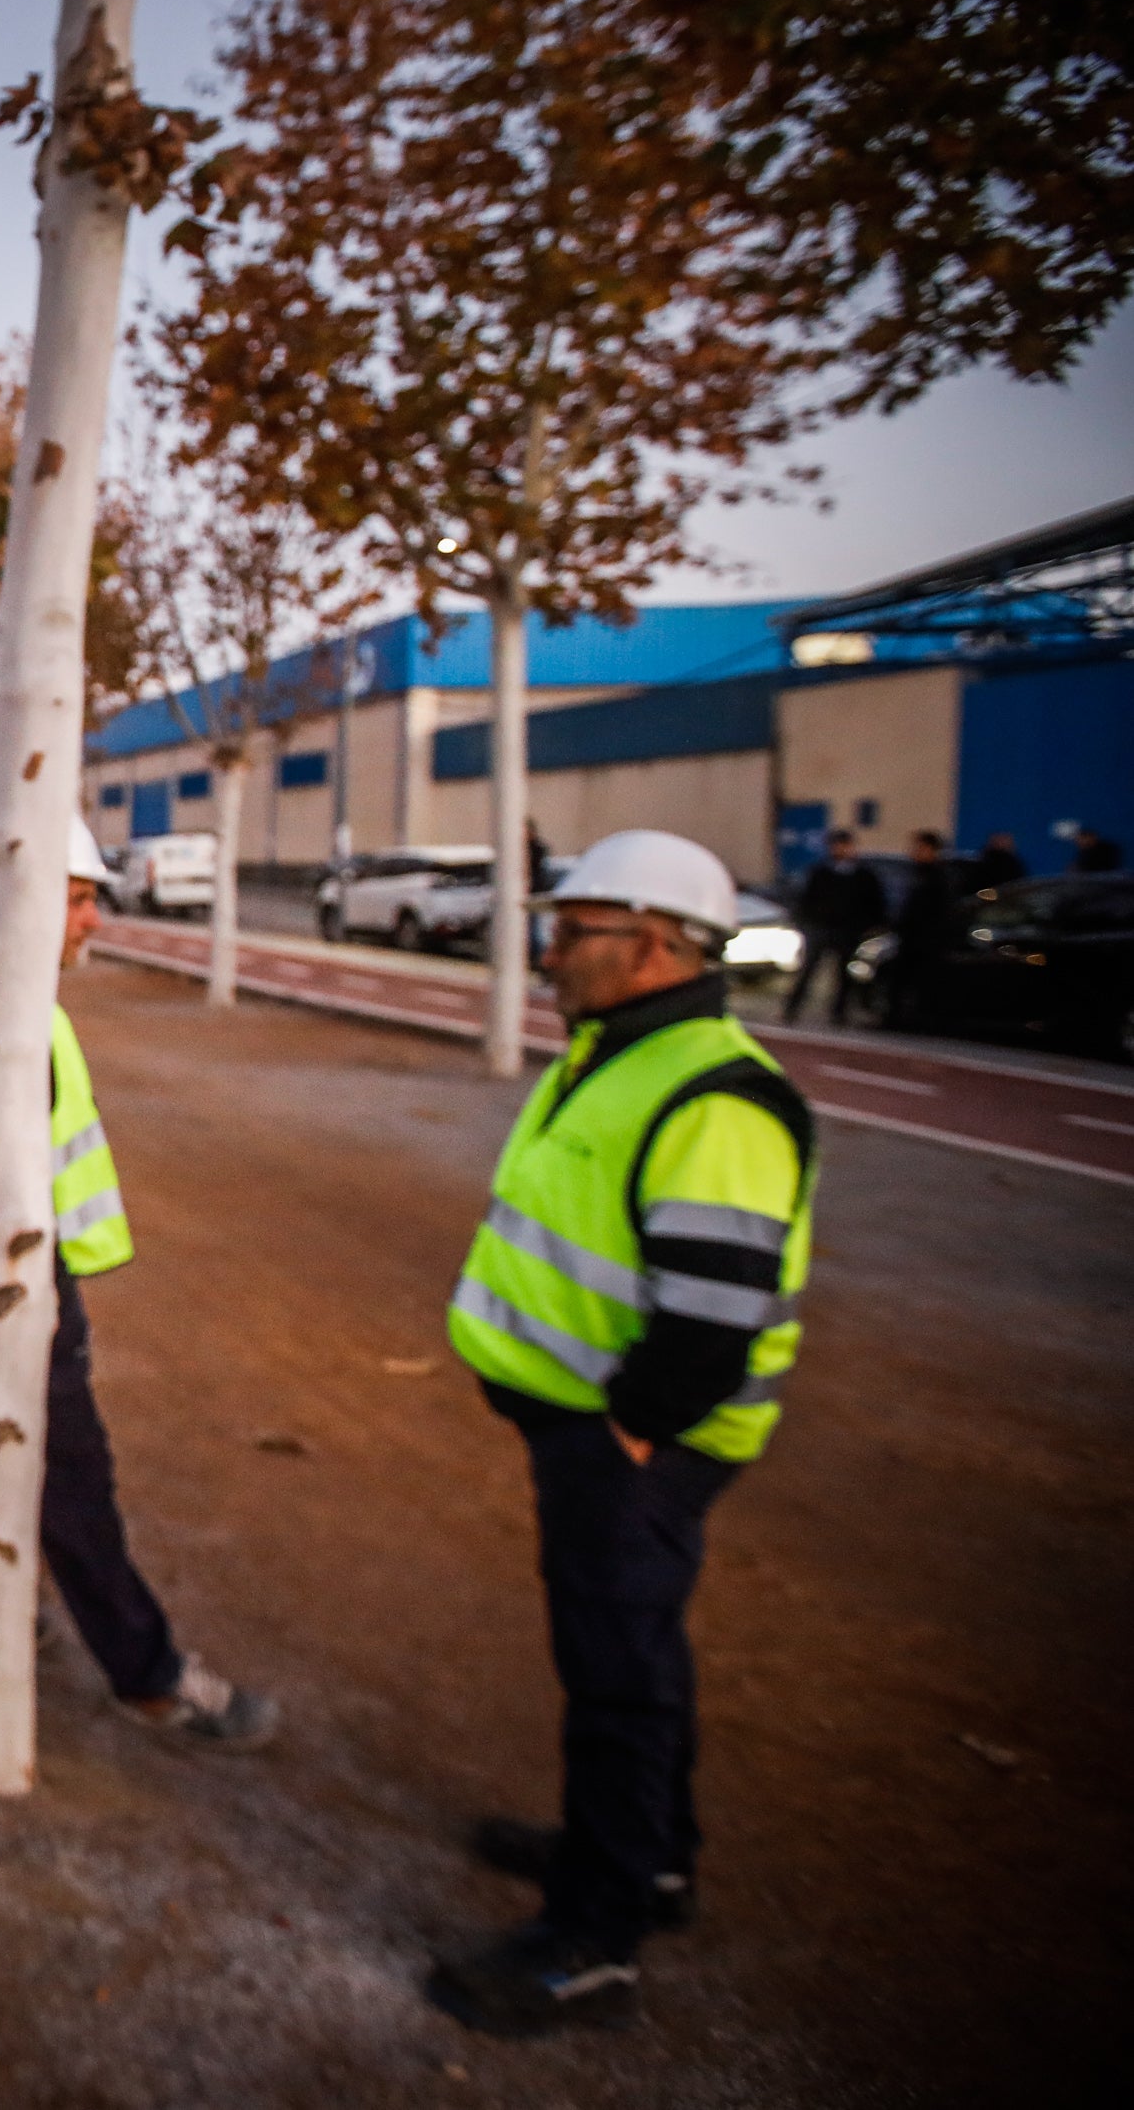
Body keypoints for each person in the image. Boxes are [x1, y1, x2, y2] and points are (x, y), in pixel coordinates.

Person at [427, 829, 816, 2040]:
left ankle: (592, 1938)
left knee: (616, 1672)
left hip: (637, 1442)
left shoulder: (713, 1094)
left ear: (655, 944)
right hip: (593, 1429)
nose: (547, 949)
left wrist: (635, 1431)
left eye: (571, 928)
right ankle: (647, 1857)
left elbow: (711, 1312)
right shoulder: (619, 1053)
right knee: (626, 1652)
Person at [0, 820, 277, 1750]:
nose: (92, 919)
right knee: (71, 1474)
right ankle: (147, 1674)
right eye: (76, 897)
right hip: (14, 1279)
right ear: (15, 897)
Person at [783, 831, 885, 1025]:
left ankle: (839, 1013)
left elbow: (874, 903)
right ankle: (792, 1008)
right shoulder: (821, 872)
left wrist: (866, 927)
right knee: (809, 970)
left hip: (847, 931)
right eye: (836, 846)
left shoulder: (863, 875)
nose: (840, 850)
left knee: (843, 975)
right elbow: (806, 900)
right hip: (820, 929)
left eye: (843, 846)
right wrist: (807, 923)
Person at [887, 830, 959, 1031]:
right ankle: (899, 1019)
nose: (914, 852)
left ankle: (917, 1021)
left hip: (925, 942)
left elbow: (940, 913)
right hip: (911, 939)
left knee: (921, 983)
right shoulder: (916, 874)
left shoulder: (938, 878)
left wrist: (932, 937)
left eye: (919, 847)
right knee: (901, 980)